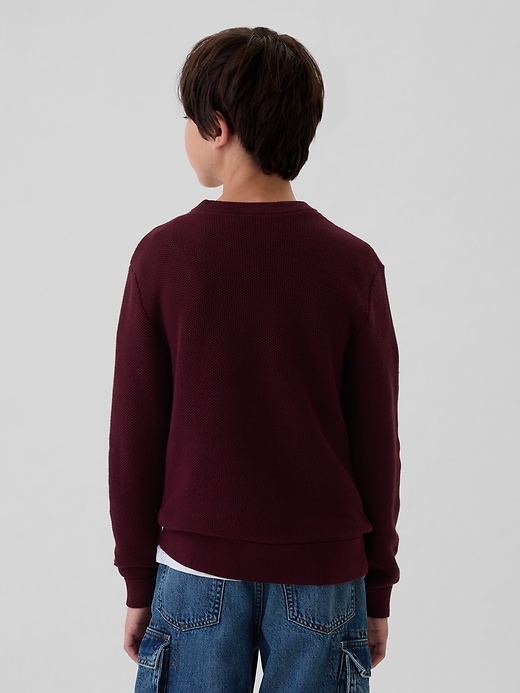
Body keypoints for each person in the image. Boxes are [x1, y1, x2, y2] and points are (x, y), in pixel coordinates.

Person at [109, 26, 400, 693]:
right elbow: (376, 441)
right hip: (326, 575)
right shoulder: (352, 265)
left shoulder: (164, 258)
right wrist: (378, 585)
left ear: (218, 125)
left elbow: (134, 434)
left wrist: (138, 577)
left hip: (194, 571)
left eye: (189, 118)